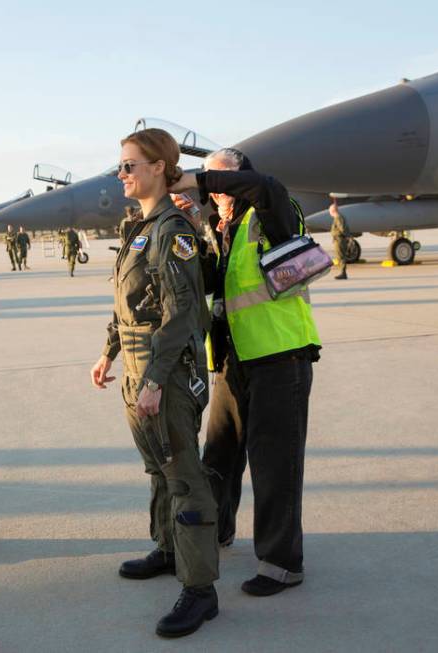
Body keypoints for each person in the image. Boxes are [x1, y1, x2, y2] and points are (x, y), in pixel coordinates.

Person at [170, 146, 321, 598]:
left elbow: (266, 186)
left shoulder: (273, 209)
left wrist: (196, 180)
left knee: (275, 466)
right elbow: (215, 287)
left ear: (241, 179)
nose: (215, 191)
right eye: (211, 184)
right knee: (218, 457)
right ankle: (215, 535)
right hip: (235, 363)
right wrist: (198, 232)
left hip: (281, 358)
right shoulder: (227, 228)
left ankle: (281, 563)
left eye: (222, 181)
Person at [90, 128, 219, 638]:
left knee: (184, 475)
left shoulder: (173, 229)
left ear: (160, 168)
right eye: (120, 166)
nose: (122, 174)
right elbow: (130, 303)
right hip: (139, 366)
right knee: (159, 469)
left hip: (164, 370)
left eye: (130, 165)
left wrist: (156, 380)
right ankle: (169, 552)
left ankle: (200, 589)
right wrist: (108, 353)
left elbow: (182, 310)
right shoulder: (138, 228)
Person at [330, 200, 349, 279]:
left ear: (332, 211)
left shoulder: (338, 217)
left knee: (341, 256)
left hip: (339, 239)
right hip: (338, 239)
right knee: (340, 256)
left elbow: (342, 229)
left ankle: (343, 273)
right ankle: (342, 273)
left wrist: (343, 236)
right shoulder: (338, 217)